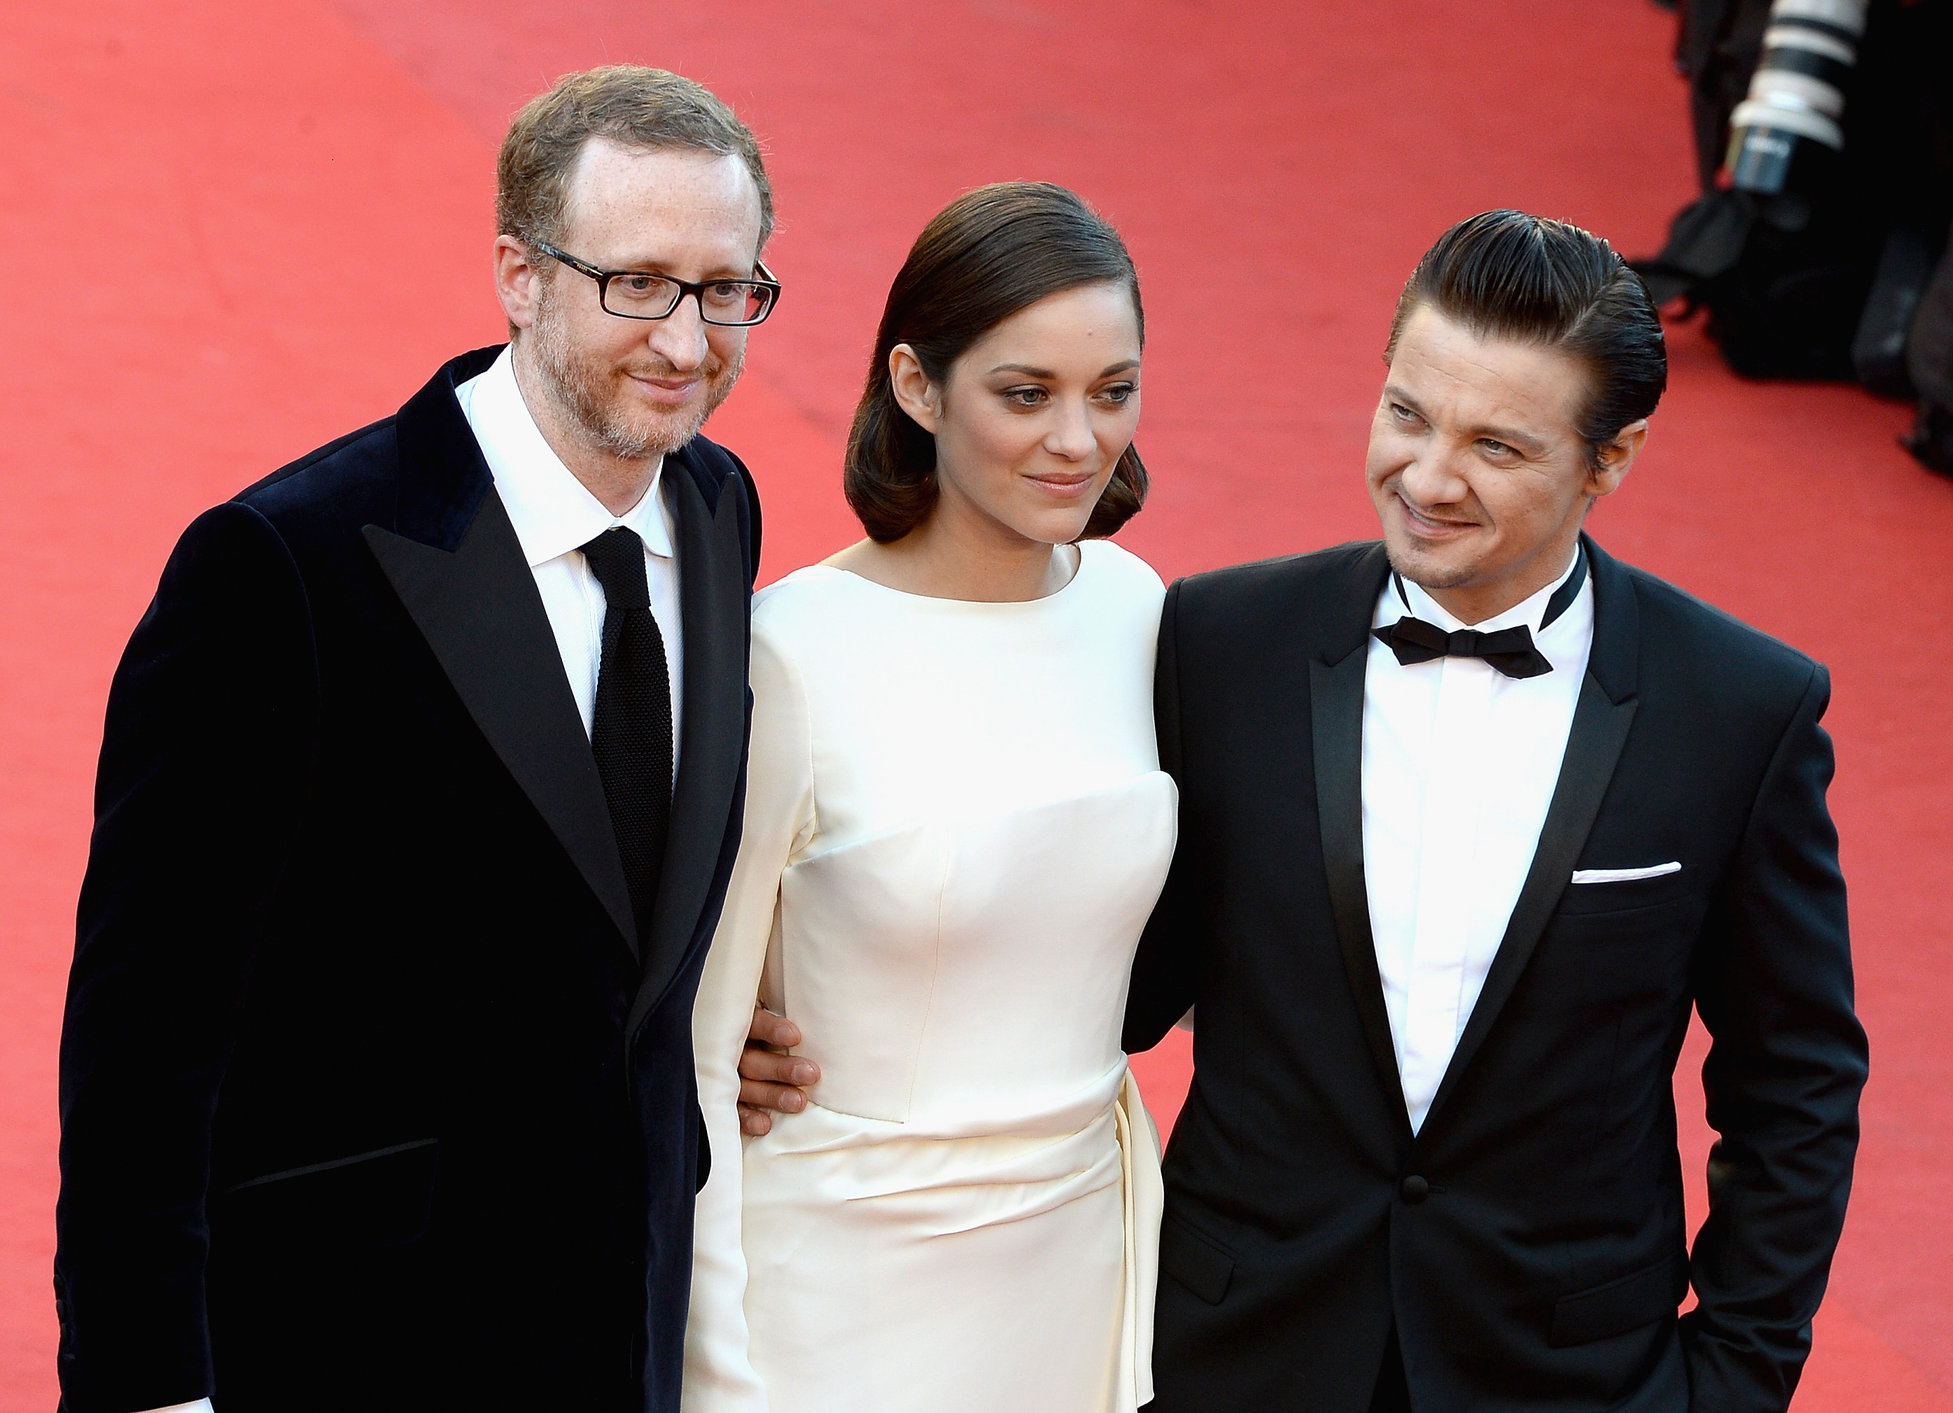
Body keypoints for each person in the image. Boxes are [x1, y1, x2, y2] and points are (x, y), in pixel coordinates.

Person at [743, 211, 1869, 1412]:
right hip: (1240, 1356)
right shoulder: (1223, 645)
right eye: (1408, 416)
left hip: (1566, 1375)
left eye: (1495, 446)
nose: (1428, 479)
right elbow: (1102, 945)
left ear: (1614, 456)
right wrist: (776, 1020)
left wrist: (1733, 1380)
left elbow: (1796, 1084)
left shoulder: (1737, 710)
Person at [55, 66, 772, 1413]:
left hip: (625, 1331)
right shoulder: (284, 566)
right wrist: (146, 1387)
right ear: (520, 275)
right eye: (636, 284)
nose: (686, 342)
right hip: (352, 1338)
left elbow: (618, 917)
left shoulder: (720, 511)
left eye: (724, 288)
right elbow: (146, 1041)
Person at [684, 182, 1172, 1413]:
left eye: (1112, 390)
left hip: (1079, 1268)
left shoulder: (1138, 611)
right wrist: (716, 1380)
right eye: (1026, 394)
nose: (1079, 441)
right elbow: (698, 1055)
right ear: (916, 385)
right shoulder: (791, 654)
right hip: (839, 1301)